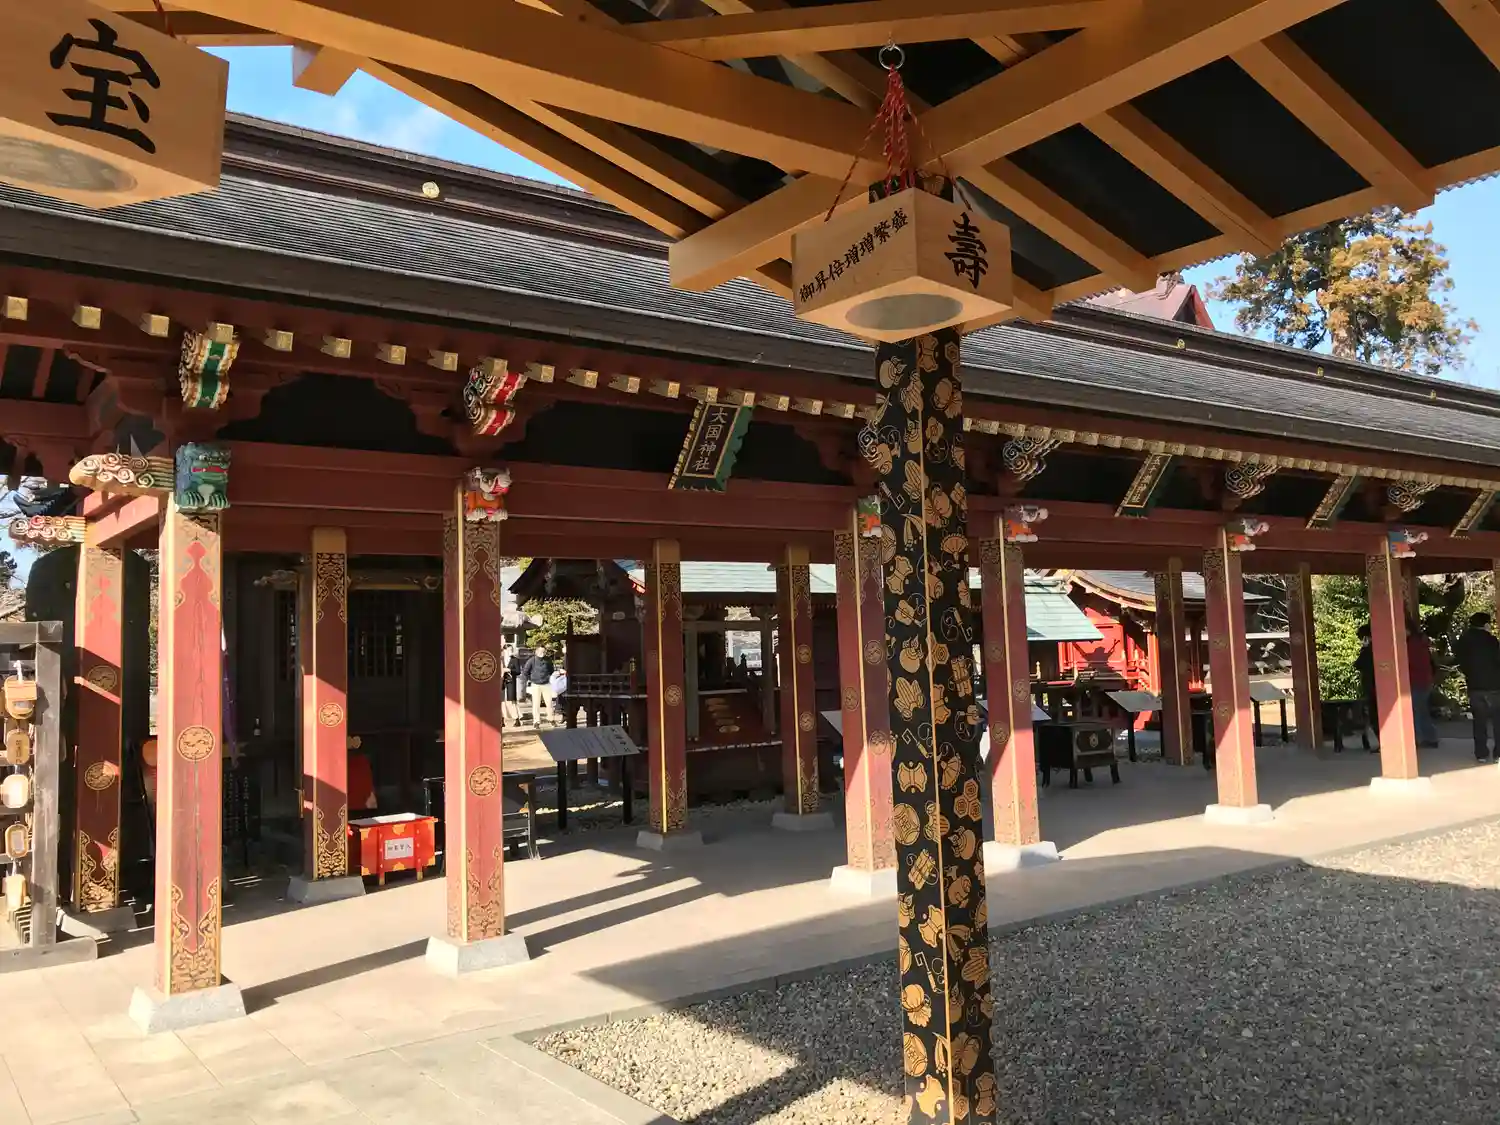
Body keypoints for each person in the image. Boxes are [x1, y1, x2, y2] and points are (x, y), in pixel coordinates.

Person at [1455, 612, 1500, 762]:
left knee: (1479, 721)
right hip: (1494, 686)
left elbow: (1460, 661)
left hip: (1475, 686)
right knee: (1497, 721)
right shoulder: (1491, 640)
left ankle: (1481, 754)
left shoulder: (1464, 640)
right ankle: (1498, 753)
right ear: (1485, 624)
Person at [1407, 617, 1440, 749]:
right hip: (1424, 680)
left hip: (1416, 680)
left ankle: (1421, 738)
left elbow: (1412, 663)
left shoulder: (1411, 644)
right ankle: (1429, 737)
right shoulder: (1421, 642)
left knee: (1417, 711)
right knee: (1421, 710)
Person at [1353, 624, 1379, 752]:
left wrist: (1364, 648)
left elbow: (1358, 664)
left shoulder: (1368, 650)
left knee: (1375, 717)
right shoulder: (1379, 647)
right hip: (1375, 685)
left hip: (1372, 686)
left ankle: (1383, 742)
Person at [520, 644, 556, 727]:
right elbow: (525, 672)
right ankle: (536, 721)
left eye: (543, 651)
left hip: (546, 684)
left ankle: (551, 719)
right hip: (536, 685)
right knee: (536, 704)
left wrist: (548, 677)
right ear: (536, 652)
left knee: (549, 703)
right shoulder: (531, 660)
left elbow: (551, 670)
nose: (542, 653)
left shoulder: (548, 660)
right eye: (540, 651)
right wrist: (531, 679)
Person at [501, 644, 521, 728]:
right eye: (509, 650)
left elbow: (518, 671)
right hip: (501, 682)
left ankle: (517, 719)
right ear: (504, 650)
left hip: (511, 682)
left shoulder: (515, 660)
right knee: (501, 701)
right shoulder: (500, 659)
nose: (511, 651)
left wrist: (509, 670)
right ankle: (501, 720)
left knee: (512, 701)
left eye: (511, 650)